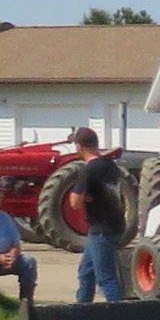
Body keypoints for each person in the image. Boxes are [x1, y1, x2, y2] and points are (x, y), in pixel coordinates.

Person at [62, 126, 128, 303]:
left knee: (105, 277)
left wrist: (82, 194)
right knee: (86, 273)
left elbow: (74, 203)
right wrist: (89, 196)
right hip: (114, 224)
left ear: (79, 146)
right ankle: (82, 311)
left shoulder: (89, 169)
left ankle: (121, 316)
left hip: (102, 229)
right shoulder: (110, 166)